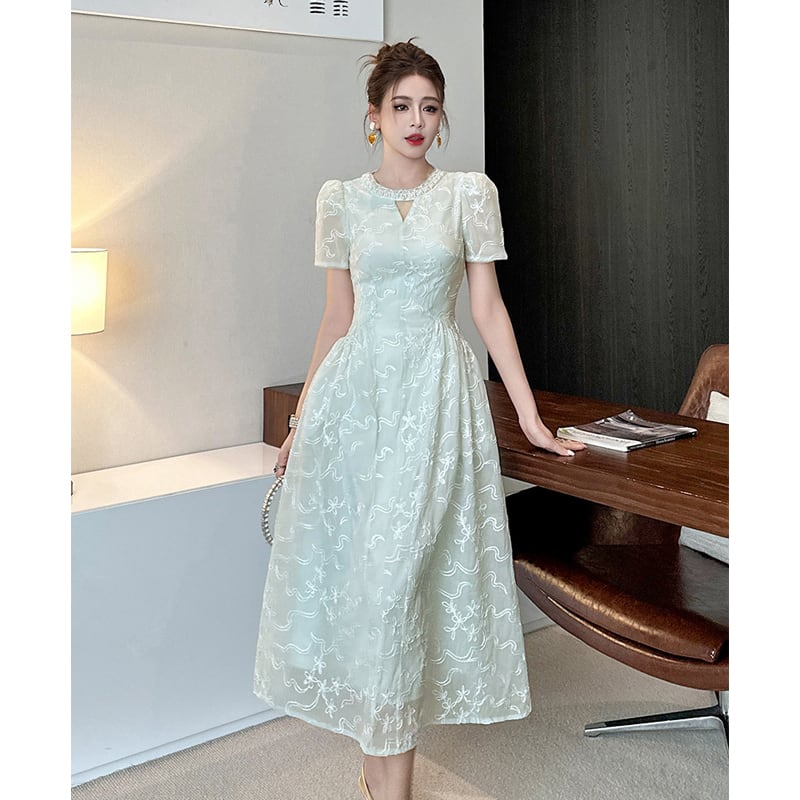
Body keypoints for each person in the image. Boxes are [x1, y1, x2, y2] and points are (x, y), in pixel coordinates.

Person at [253, 40, 585, 800]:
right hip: (357, 403)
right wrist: (302, 421)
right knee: (370, 585)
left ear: (441, 118)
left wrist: (529, 418)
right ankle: (381, 778)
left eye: (429, 108)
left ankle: (387, 786)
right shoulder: (339, 200)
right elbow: (336, 318)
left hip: (436, 399)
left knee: (400, 583)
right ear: (373, 115)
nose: (416, 120)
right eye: (400, 106)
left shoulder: (468, 194)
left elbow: (488, 311)